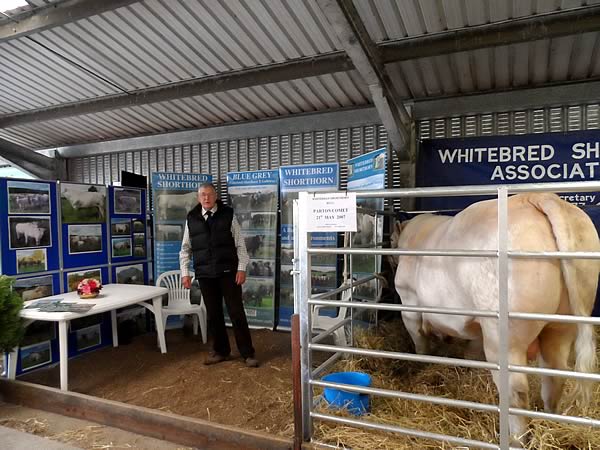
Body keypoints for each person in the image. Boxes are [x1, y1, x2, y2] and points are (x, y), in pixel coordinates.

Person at [179, 183, 258, 367]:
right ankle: (221, 351)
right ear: (198, 198)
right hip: (205, 275)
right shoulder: (191, 218)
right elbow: (185, 249)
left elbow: (241, 245)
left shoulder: (228, 214)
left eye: (209, 195)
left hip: (228, 273)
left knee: (236, 312)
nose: (206, 198)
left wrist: (241, 268)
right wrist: (185, 273)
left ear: (215, 196)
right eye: (202, 195)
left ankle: (248, 353)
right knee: (214, 315)